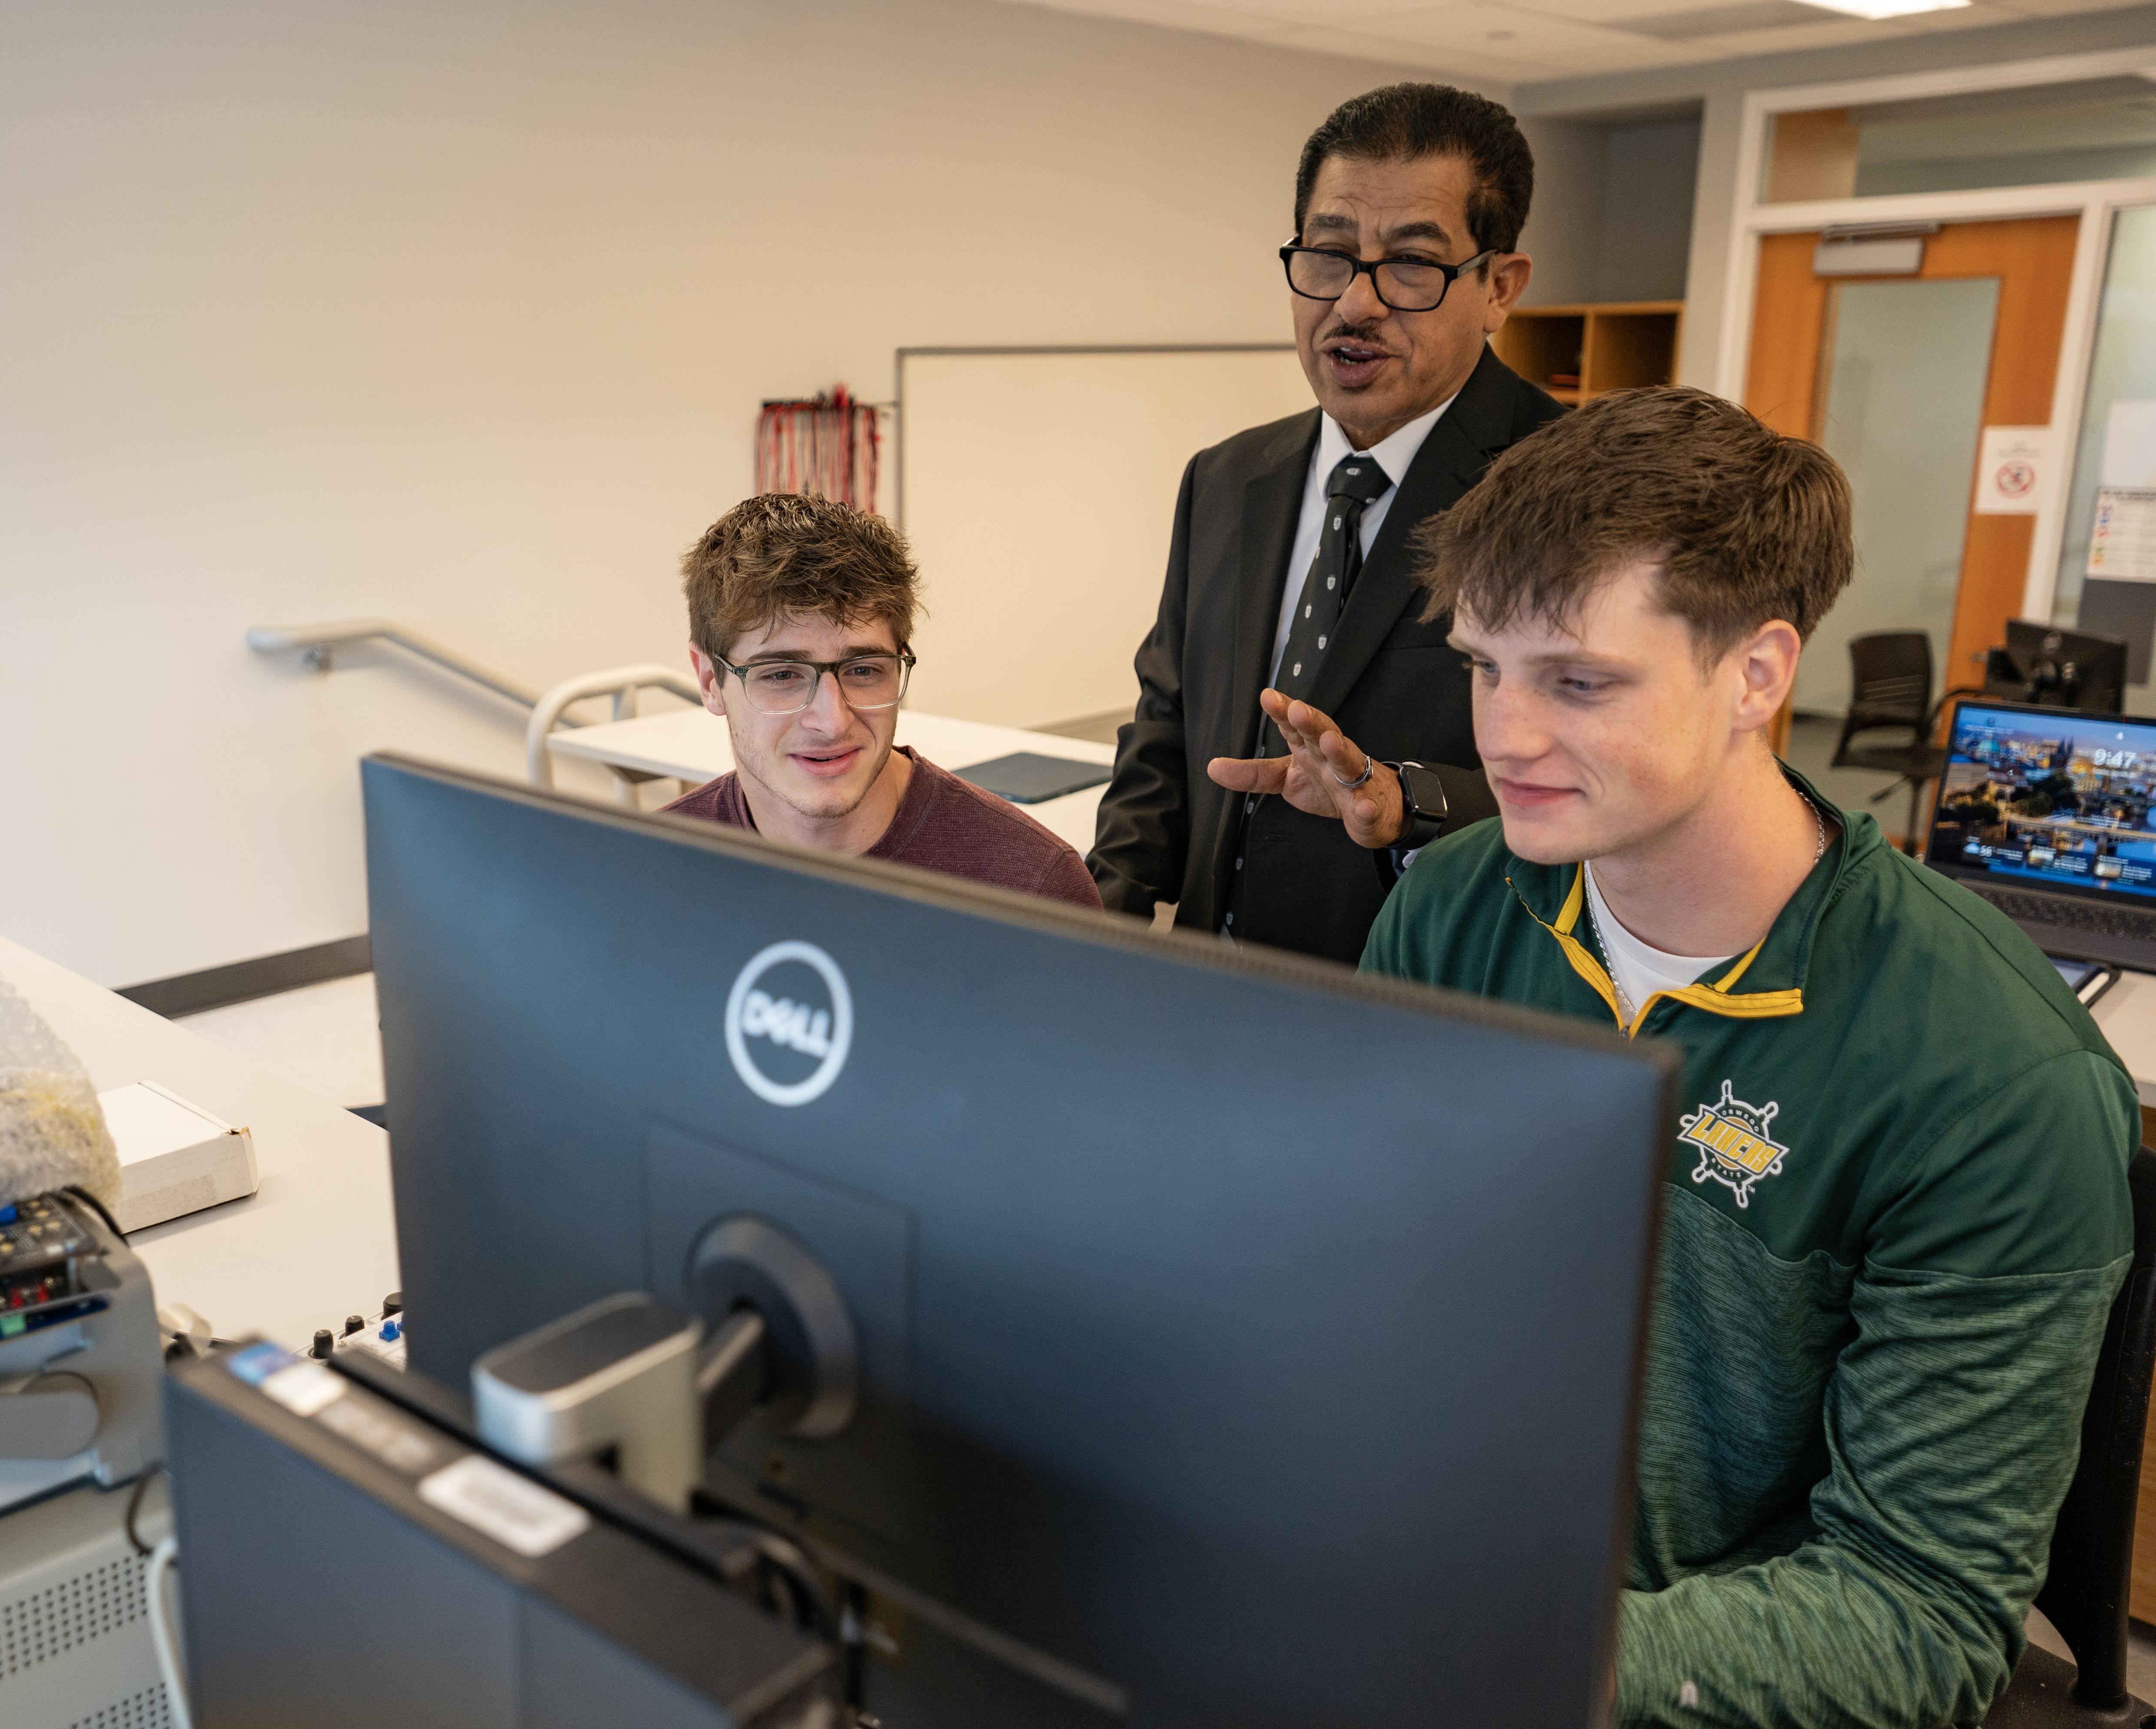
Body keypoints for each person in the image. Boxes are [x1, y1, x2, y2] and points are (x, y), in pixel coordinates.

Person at [1354, 387, 2136, 1727]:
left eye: (1577, 680)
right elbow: (1350, 1266)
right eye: (1483, 664)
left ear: (1756, 675)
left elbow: (1914, 1610)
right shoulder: (1452, 904)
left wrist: (1506, 1653)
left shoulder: (1993, 1076)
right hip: (1408, 1575)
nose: (1500, 734)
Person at [1091, 82, 1560, 960]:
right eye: (1330, 255)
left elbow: (1606, 775)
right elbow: (1168, 725)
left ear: (1499, 286)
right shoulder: (1227, 478)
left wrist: (1404, 798)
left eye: (1412, 264)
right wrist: (1096, 926)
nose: (1355, 303)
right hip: (1207, 975)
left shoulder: (1570, 486)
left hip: (1419, 995)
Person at [665, 493, 1101, 911]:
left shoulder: (1034, 890)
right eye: (782, 675)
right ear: (710, 681)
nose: (832, 722)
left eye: (863, 670)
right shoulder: (646, 876)